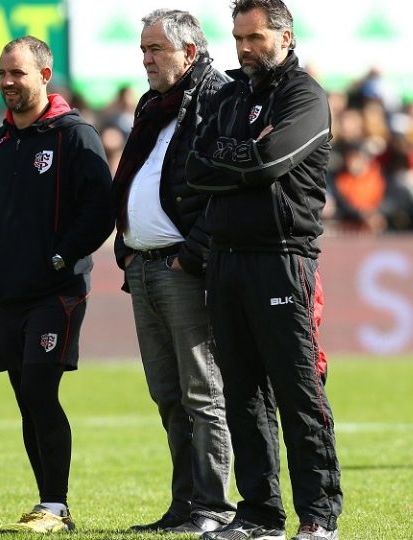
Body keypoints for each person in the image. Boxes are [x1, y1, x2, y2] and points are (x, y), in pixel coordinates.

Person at [185, 1, 342, 539]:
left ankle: (319, 516)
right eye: (237, 38)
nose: (245, 48)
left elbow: (272, 160)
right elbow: (193, 165)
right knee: (241, 394)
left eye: (254, 37)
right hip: (225, 260)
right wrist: (243, 160)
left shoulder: (305, 96)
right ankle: (259, 514)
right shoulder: (231, 96)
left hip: (281, 260)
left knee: (298, 391)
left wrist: (239, 160)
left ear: (285, 36)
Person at [0, 36, 114, 534]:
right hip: (6, 294)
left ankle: (55, 505)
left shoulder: (74, 136)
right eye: (3, 74)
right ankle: (47, 503)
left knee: (39, 388)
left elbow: (100, 210)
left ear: (44, 76)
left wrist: (61, 256)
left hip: (58, 291)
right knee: (25, 397)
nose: (8, 82)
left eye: (19, 74)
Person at [111, 9, 234, 536]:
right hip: (145, 266)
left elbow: (224, 187)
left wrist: (192, 254)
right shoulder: (153, 106)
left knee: (203, 393)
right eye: (143, 50)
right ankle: (185, 506)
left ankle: (213, 508)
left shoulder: (217, 96)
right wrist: (128, 249)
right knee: (167, 393)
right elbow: (134, 178)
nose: (146, 60)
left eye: (155, 49)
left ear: (189, 51)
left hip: (183, 268)